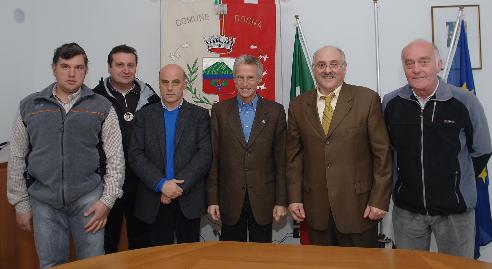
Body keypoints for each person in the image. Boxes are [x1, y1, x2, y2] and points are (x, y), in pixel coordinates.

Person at [7, 43, 125, 268]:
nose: (72, 73)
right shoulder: (30, 106)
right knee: (51, 264)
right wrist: (20, 204)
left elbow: (115, 158)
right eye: (65, 66)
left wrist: (107, 201)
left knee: (93, 264)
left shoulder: (102, 106)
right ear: (54, 68)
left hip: (88, 200)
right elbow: (16, 156)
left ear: (86, 70)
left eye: (78, 67)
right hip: (44, 202)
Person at [382, 39, 492, 258]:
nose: (416, 69)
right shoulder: (391, 102)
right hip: (408, 212)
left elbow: (481, 150)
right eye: (409, 63)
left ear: (439, 64)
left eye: (424, 61)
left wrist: (453, 186)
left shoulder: (465, 101)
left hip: (455, 212)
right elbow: (387, 152)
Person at [286, 46, 392, 247]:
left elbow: (382, 154)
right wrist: (294, 198)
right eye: (321, 65)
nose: (328, 70)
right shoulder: (298, 105)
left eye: (334, 64)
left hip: (359, 208)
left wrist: (379, 199)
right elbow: (293, 156)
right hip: (315, 209)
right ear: (314, 69)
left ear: (344, 68)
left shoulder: (367, 99)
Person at [128, 64, 212, 246]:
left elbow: (204, 155)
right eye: (165, 82)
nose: (170, 87)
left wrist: (175, 188)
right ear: (159, 84)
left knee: (188, 258)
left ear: (184, 84)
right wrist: (161, 184)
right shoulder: (143, 116)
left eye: (175, 82)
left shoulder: (200, 115)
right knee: (158, 259)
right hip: (154, 199)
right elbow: (135, 155)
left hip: (188, 198)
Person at [207, 55, 287, 243]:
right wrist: (212, 200)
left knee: (261, 259)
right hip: (229, 200)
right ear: (233, 79)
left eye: (250, 77)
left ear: (259, 79)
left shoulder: (275, 111)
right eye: (240, 77)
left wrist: (281, 200)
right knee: (231, 258)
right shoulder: (219, 111)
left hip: (264, 200)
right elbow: (213, 159)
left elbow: (281, 160)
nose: (245, 83)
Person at [93, 45, 160, 253]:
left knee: (141, 243)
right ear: (109, 67)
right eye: (119, 64)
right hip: (106, 183)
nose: (126, 70)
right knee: (106, 243)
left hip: (141, 183)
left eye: (130, 65)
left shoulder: (151, 98)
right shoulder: (94, 100)